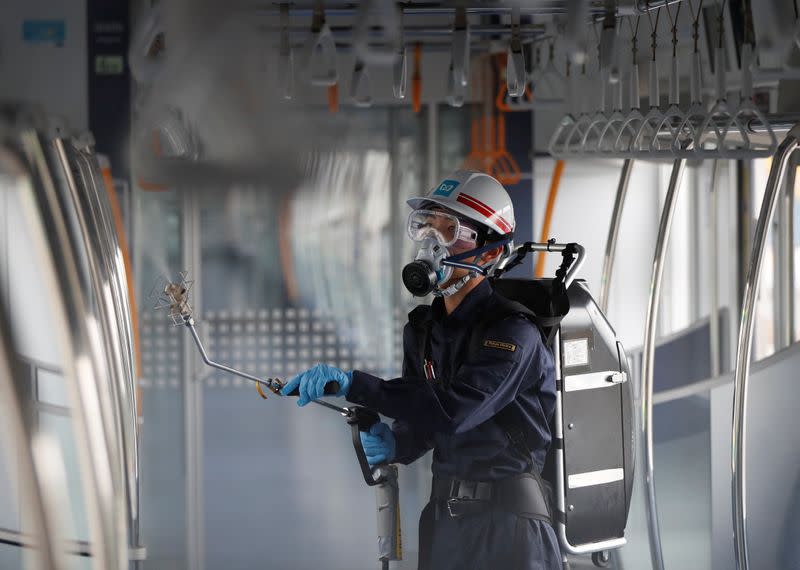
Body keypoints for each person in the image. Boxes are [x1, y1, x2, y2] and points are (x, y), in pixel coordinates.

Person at [281, 170, 563, 570]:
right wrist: (398, 443)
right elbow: (425, 418)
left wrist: (355, 384)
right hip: (445, 523)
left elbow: (454, 410)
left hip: (509, 529)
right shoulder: (423, 329)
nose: (431, 244)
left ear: (487, 251)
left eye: (449, 231)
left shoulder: (512, 333)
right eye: (425, 227)